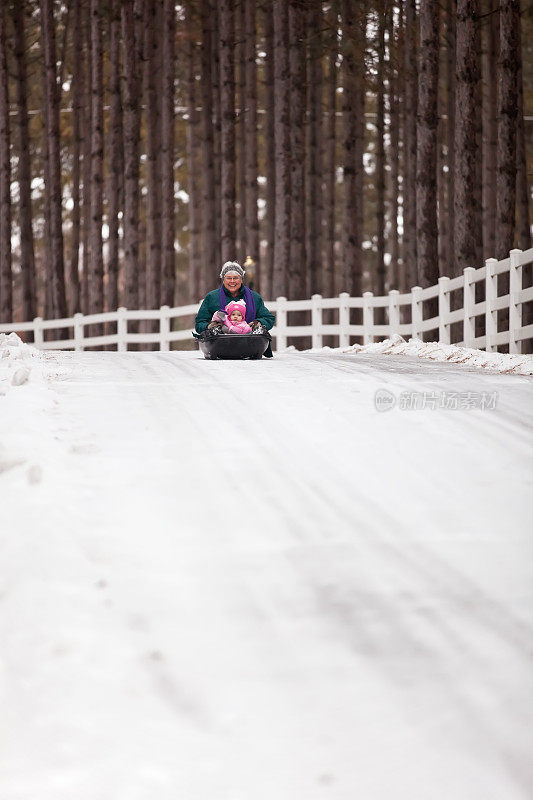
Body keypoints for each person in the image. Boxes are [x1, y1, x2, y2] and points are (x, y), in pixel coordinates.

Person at [195, 261, 275, 357]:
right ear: (223, 279)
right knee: (212, 332)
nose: (232, 281)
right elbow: (199, 323)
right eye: (228, 278)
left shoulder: (254, 297)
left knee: (261, 330)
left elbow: (269, 318)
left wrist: (257, 323)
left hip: (249, 346)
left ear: (241, 279)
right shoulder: (212, 297)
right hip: (220, 346)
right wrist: (211, 326)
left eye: (236, 278)